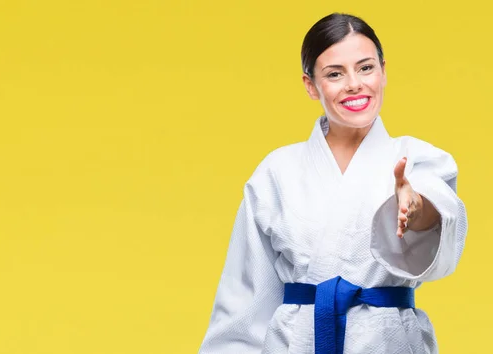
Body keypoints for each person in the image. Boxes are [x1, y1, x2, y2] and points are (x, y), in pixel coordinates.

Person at [198, 12, 468, 354]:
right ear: (311, 85)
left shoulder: (417, 159)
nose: (354, 83)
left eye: (366, 67)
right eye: (335, 74)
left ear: (384, 71)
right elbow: (246, 293)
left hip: (388, 343)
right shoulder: (276, 171)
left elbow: (441, 223)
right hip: (295, 343)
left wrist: (417, 211)